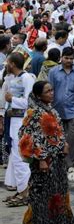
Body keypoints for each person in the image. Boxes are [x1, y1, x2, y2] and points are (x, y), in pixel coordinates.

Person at [18, 81, 74, 224]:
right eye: (47, 91)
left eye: (52, 90)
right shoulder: (34, 113)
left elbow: (58, 131)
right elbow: (29, 138)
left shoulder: (52, 110)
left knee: (56, 192)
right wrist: (41, 158)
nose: (51, 93)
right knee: (40, 195)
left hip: (57, 160)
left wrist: (64, 143)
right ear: (38, 95)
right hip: (43, 161)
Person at [3, 53, 35, 208]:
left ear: (13, 64)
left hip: (21, 121)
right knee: (14, 156)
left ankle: (25, 192)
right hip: (13, 120)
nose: (5, 65)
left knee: (20, 158)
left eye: (8, 62)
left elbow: (30, 101)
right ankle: (21, 189)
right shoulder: (12, 78)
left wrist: (12, 100)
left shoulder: (27, 78)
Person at [48, 47, 74, 183]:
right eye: (66, 58)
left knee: (73, 139)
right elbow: (49, 90)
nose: (68, 61)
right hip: (57, 110)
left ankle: (71, 164)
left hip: (73, 110)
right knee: (57, 138)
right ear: (61, 58)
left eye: (71, 58)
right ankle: (58, 163)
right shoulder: (53, 72)